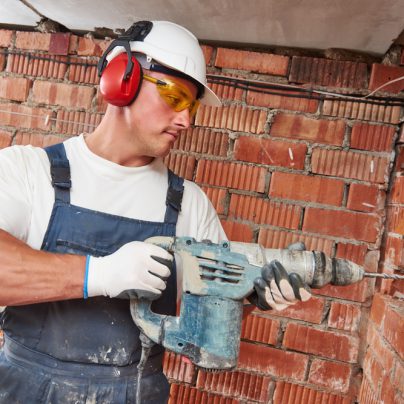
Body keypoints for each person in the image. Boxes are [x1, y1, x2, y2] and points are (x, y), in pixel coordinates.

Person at [0, 20, 311, 403]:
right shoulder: (29, 172)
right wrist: (98, 274)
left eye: (192, 106)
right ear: (121, 78)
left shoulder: (189, 204)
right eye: (176, 96)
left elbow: (201, 327)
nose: (187, 119)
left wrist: (251, 297)